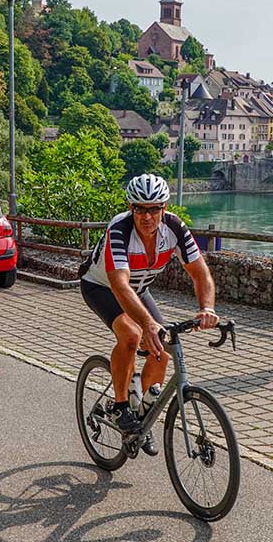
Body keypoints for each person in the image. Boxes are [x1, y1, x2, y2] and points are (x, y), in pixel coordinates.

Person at [80, 174, 218, 455]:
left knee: (161, 352)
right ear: (131, 208)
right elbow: (119, 285)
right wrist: (148, 324)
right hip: (101, 287)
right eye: (140, 209)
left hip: (139, 290)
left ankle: (141, 417)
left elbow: (200, 273)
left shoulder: (175, 228)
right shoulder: (118, 229)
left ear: (164, 208)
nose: (147, 216)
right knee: (132, 335)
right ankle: (120, 407)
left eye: (154, 209)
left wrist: (207, 308)